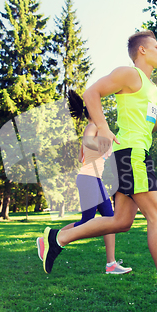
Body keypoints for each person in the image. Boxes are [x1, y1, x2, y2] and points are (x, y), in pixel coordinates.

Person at [40, 30, 157, 309]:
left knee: (121, 221)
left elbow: (147, 127)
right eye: (156, 47)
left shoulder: (153, 89)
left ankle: (57, 238)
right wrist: (103, 127)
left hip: (137, 152)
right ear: (141, 51)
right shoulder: (130, 75)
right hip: (131, 154)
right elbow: (91, 93)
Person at [36, 90, 132, 275]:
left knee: (110, 219)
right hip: (89, 179)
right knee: (88, 221)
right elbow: (88, 144)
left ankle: (111, 263)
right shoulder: (93, 126)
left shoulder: (93, 127)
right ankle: (50, 240)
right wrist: (106, 146)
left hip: (93, 178)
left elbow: (82, 156)